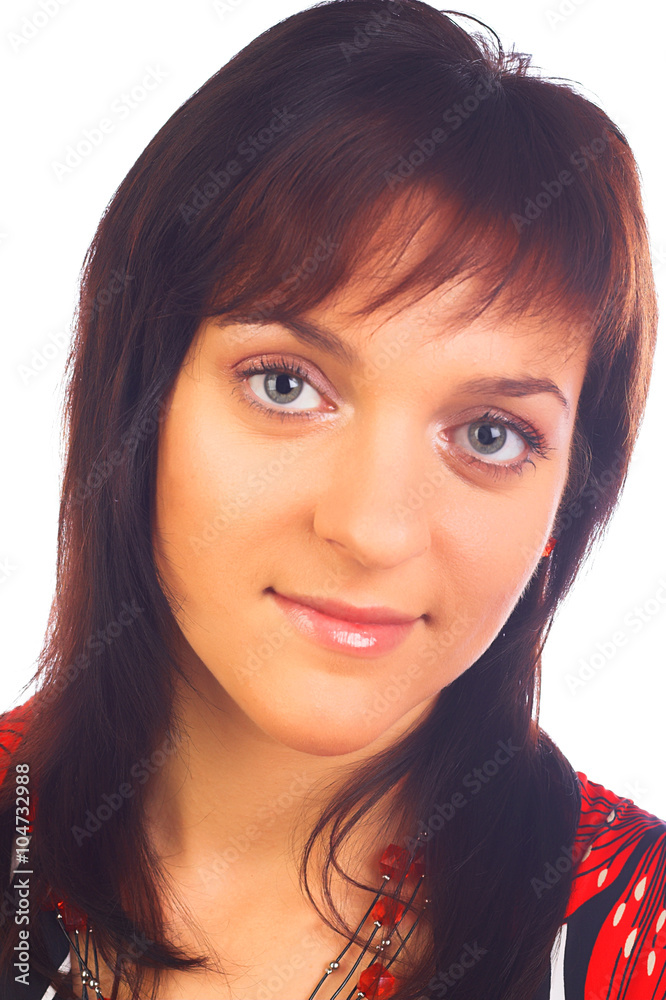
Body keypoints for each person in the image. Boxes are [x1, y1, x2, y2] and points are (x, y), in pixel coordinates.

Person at [1, 1, 664, 997]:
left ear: (568, 500)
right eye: (286, 385)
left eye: (490, 435)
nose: (371, 530)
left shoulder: (640, 934)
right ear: (139, 401)